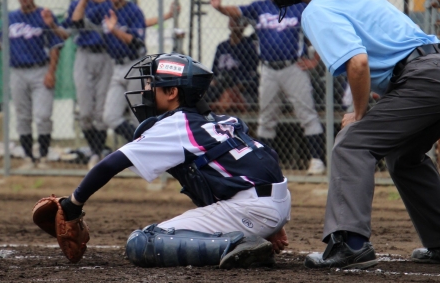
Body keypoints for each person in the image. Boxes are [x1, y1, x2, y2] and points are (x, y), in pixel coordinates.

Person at [262, 0, 440, 269]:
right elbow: (387, 53)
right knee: (404, 157)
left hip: (426, 78)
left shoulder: (318, 8)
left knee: (352, 143)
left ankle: (350, 244)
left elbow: (358, 63)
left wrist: (359, 114)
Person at [46, 53, 290, 268]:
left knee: (143, 242)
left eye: (152, 84)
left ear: (172, 93)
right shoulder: (220, 120)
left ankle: (240, 244)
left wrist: (72, 204)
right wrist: (274, 223)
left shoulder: (176, 124)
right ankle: (251, 240)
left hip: (252, 209)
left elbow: (110, 164)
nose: (146, 91)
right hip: (271, 202)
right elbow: (263, 161)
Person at [211, 0, 326, 176]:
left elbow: (321, 31)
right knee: (266, 119)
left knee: (307, 114)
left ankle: (317, 160)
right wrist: (219, 7)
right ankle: (263, 163)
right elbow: (236, 12)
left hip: (293, 68)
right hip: (268, 70)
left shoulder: (299, 7)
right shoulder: (260, 7)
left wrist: (315, 60)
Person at [0, 0, 63, 169]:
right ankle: (29, 158)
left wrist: (51, 72)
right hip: (17, 72)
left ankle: (43, 157)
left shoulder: (44, 15)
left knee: (42, 115)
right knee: (22, 117)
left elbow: (55, 46)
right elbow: (0, 44)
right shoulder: (11, 18)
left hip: (40, 70)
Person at [46, 0, 113, 168]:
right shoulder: (78, 3)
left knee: (101, 111)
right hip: (84, 55)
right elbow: (66, 33)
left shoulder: (112, 3)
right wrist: (52, 25)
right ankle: (96, 150)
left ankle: (96, 154)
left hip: (107, 56)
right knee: (85, 112)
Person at [101, 0, 146, 150]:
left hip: (135, 64)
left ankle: (144, 154)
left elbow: (137, 43)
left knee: (137, 117)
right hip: (116, 66)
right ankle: (140, 146)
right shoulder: (104, 10)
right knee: (110, 116)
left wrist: (115, 30)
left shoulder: (134, 11)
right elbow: (79, 23)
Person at [204, 17, 259, 113]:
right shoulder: (222, 47)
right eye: (232, 20)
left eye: (238, 21)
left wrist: (232, 90)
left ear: (245, 25)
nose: (234, 23)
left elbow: (250, 76)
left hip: (239, 89)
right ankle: (219, 104)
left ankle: (220, 105)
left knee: (230, 95)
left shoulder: (248, 47)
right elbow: (214, 74)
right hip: (220, 87)